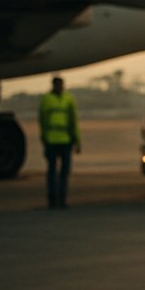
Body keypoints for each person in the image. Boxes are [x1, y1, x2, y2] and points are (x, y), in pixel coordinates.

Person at [39, 76, 81, 209]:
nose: (60, 87)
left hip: (66, 141)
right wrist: (44, 138)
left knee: (64, 172)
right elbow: (43, 120)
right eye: (58, 85)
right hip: (51, 141)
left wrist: (77, 140)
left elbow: (73, 121)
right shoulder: (47, 99)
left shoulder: (68, 99)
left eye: (61, 85)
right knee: (52, 172)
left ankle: (62, 200)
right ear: (53, 85)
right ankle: (52, 200)